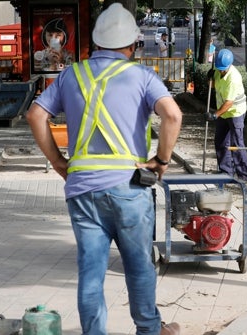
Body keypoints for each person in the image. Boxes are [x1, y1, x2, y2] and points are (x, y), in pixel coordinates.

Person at [25, 3, 182, 335]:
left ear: (96, 42)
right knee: (139, 268)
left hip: (82, 190)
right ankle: (149, 330)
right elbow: (173, 115)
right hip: (130, 189)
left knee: (91, 273)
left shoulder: (71, 74)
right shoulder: (142, 76)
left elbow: (36, 115)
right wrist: (162, 160)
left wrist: (58, 162)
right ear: (131, 45)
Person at [205, 49, 247, 181]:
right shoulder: (218, 70)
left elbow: (229, 103)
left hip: (235, 112)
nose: (221, 71)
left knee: (237, 144)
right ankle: (225, 171)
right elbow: (214, 86)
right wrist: (209, 79)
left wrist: (214, 115)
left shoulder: (233, 78)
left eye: (223, 69)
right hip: (223, 113)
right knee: (220, 141)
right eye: (219, 69)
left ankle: (244, 175)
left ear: (229, 65)